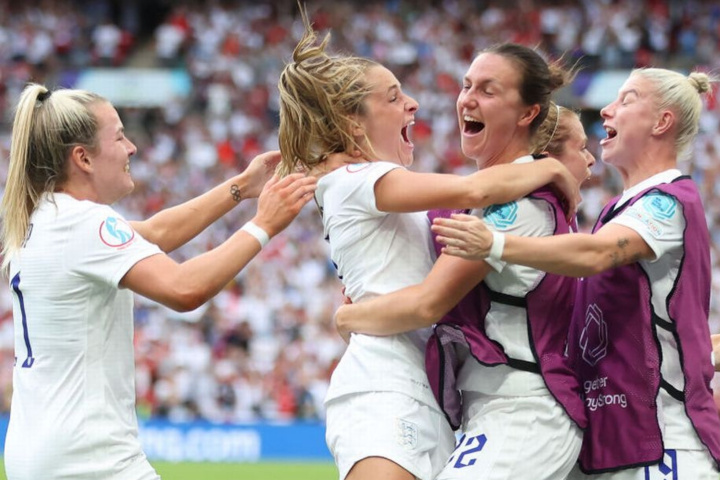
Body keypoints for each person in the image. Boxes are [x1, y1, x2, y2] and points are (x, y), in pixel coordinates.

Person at [277, 9, 580, 480]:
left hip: (434, 393)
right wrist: (548, 167)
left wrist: (350, 315)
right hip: (385, 383)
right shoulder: (361, 178)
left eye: (487, 89)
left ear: (527, 113)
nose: (415, 104)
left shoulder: (376, 185)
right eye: (394, 97)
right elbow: (474, 192)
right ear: (355, 124)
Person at [0, 84, 317, 480]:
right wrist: (265, 224)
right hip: (89, 459)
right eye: (118, 136)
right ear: (82, 158)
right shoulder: (85, 222)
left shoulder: (42, 219)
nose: (131, 147)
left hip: (38, 450)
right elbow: (184, 289)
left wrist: (241, 188)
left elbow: (154, 232)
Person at [431, 68, 720, 479]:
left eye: (627, 99)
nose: (606, 110)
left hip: (666, 445)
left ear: (661, 122)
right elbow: (647, 328)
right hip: (620, 444)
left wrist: (496, 245)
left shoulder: (669, 201)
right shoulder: (615, 212)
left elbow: (596, 254)